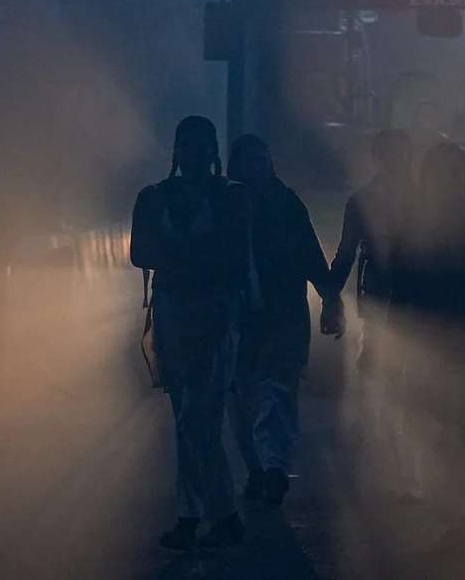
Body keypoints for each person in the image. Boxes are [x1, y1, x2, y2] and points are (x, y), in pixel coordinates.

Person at [130, 116, 254, 549]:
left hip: (205, 310)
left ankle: (202, 513)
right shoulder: (230, 199)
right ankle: (214, 514)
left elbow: (146, 252)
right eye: (189, 145)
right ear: (178, 150)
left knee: (193, 415)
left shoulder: (157, 199)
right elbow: (224, 254)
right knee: (194, 413)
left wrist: (176, 255)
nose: (194, 154)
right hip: (193, 308)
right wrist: (199, 254)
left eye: (200, 145)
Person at [388, 142, 465, 554]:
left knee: (457, 431)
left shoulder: (421, 229)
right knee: (445, 434)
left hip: (458, 349)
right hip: (441, 348)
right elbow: (401, 297)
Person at [225, 134, 343, 509]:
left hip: (281, 311)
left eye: (262, 159)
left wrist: (328, 297)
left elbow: (309, 253)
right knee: (246, 394)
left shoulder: (282, 203)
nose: (258, 166)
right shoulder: (232, 205)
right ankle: (264, 468)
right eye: (252, 160)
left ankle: (272, 468)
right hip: (242, 312)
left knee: (273, 389)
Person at [326, 128, 420, 496]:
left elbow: (347, 253)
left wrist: (332, 294)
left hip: (391, 299)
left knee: (388, 381)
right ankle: (401, 466)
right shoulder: (420, 197)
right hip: (400, 301)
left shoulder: (363, 199)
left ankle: (394, 463)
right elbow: (347, 253)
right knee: (396, 383)